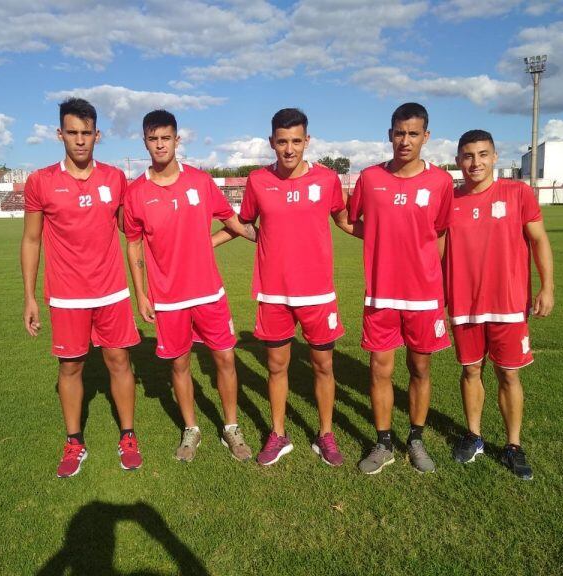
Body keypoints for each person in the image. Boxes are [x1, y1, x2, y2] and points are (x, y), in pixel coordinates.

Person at [214, 108, 353, 466]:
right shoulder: (259, 181)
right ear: (271, 142)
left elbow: (344, 220)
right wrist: (205, 244)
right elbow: (243, 224)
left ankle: (325, 434)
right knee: (276, 367)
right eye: (282, 142)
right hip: (274, 293)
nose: (289, 149)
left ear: (307, 141)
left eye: (295, 141)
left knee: (323, 366)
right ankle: (278, 434)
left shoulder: (327, 180)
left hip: (318, 293)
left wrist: (387, 232)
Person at [124, 109, 256, 463]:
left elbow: (234, 224)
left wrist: (266, 237)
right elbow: (133, 244)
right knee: (179, 366)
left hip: (209, 292)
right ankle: (191, 430)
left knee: (225, 359)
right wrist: (141, 293)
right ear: (145, 142)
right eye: (153, 139)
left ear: (177, 140)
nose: (160, 145)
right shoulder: (136, 193)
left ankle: (231, 428)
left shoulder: (200, 181)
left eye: (166, 138)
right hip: (168, 299)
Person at [21, 97, 142, 478]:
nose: (79, 141)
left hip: (112, 292)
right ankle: (74, 441)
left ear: (97, 135)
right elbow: (31, 241)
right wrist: (29, 297)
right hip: (67, 295)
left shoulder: (114, 179)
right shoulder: (40, 181)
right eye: (72, 133)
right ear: (60, 134)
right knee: (70, 366)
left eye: (86, 133)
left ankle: (128, 436)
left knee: (119, 362)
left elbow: (132, 230)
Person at [347, 102, 453, 474]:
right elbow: (348, 220)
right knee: (380, 369)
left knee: (420, 368)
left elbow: (439, 232)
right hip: (381, 293)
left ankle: (417, 439)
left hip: (424, 295)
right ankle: (384, 443)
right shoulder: (370, 177)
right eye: (399, 132)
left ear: (426, 136)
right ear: (389, 134)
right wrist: (374, 236)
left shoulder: (440, 182)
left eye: (413, 133)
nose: (405, 140)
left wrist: (436, 280)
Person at [446, 129, 554, 480]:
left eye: (481, 154)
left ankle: (512, 445)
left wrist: (547, 287)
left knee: (509, 373)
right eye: (467, 156)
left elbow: (539, 240)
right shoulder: (450, 200)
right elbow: (433, 249)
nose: (474, 163)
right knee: (470, 371)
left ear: (494, 157)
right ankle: (474, 436)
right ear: (459, 160)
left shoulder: (517, 193)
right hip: (464, 304)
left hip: (508, 303)